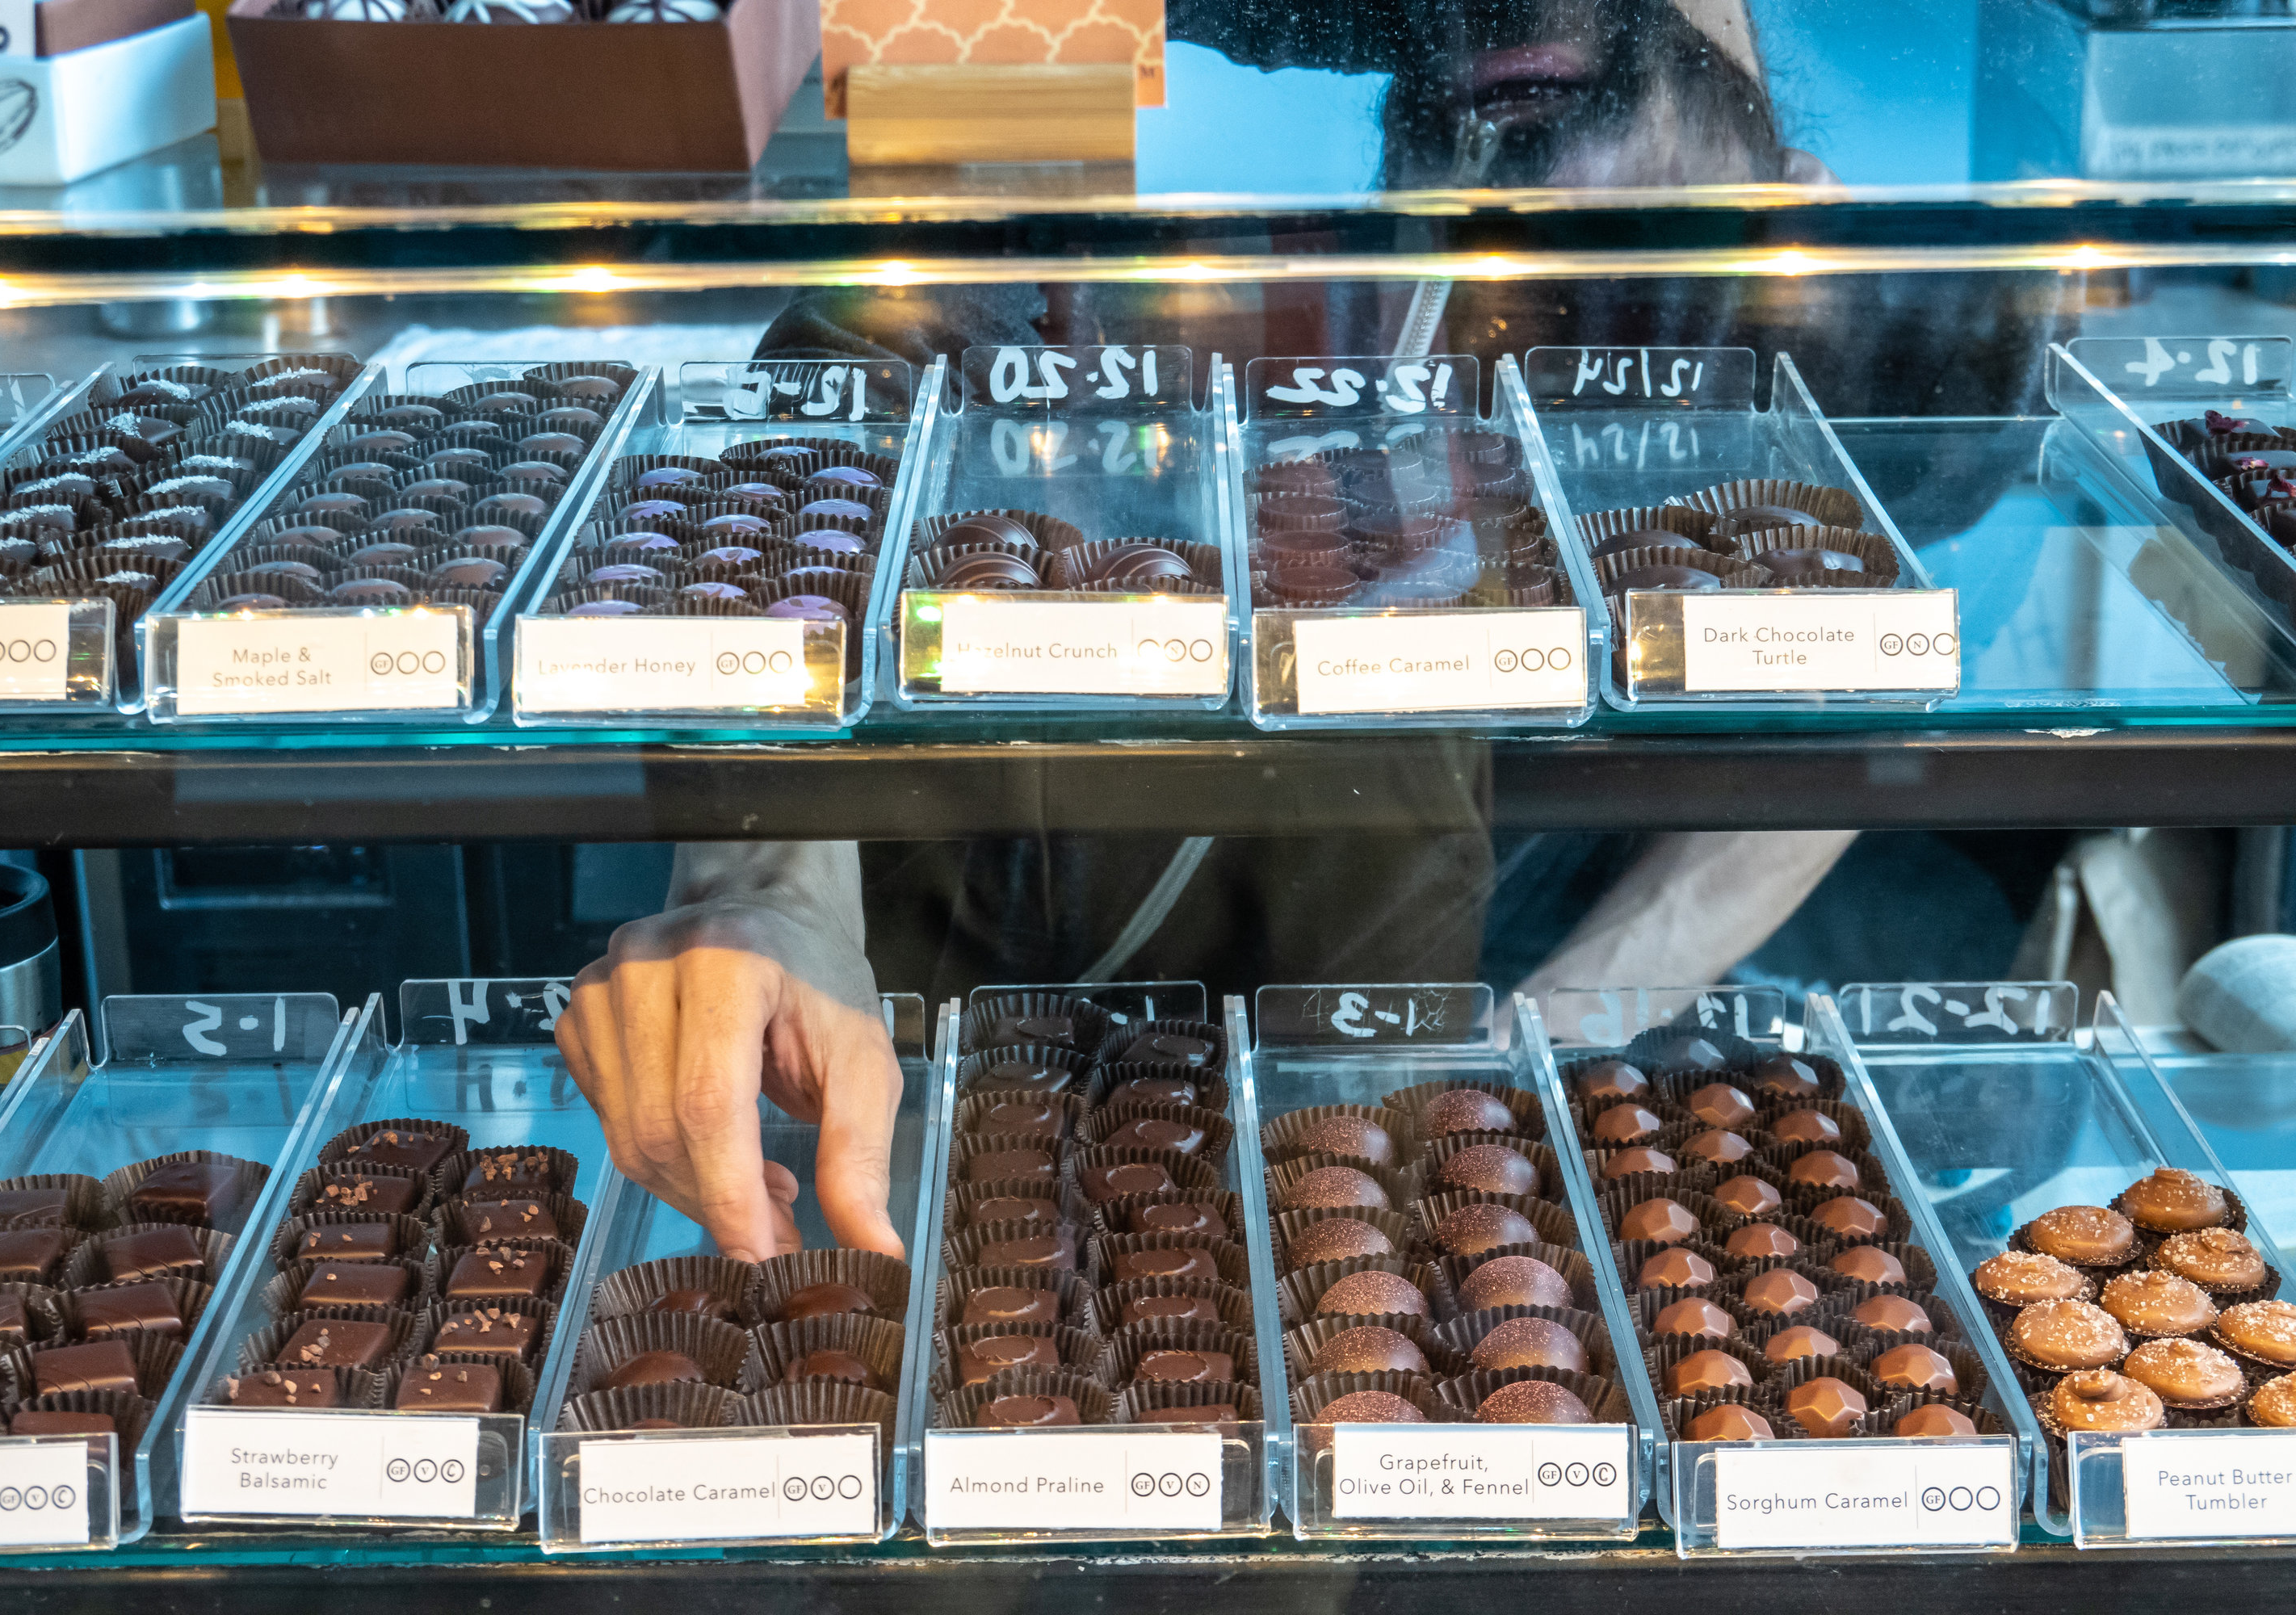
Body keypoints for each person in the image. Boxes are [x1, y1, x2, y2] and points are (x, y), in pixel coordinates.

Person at [558, 0, 2066, 1259]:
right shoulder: (1219, 280)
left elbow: (1865, 675)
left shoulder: (1805, 356)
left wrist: (1535, 1040)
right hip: (939, 1083)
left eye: (1618, 300)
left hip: (1361, 1126)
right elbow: (844, 439)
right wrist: (766, 894)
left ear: (1795, 189)